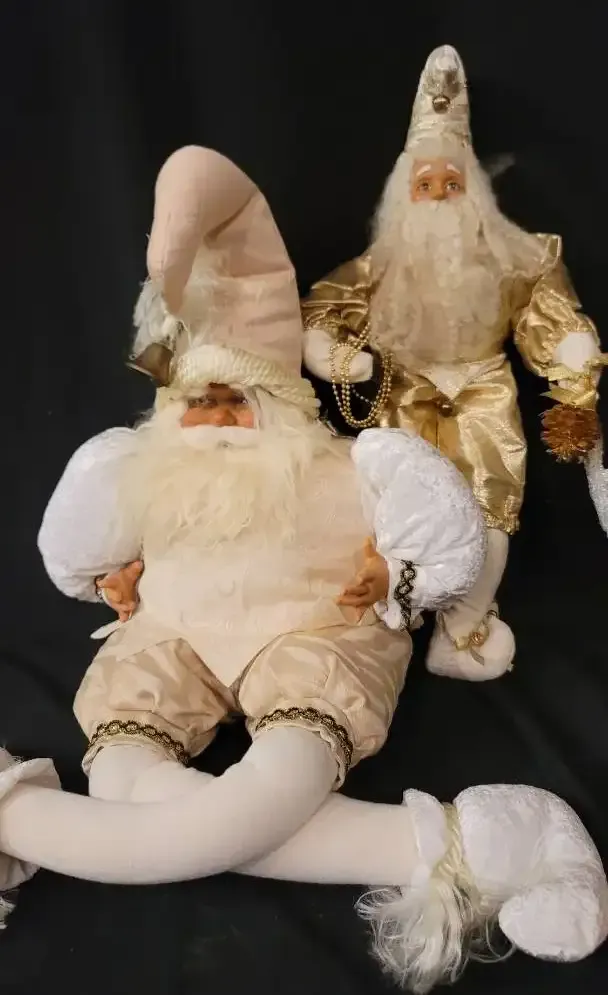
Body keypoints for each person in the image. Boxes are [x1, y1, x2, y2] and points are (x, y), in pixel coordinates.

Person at [1, 146, 606, 994]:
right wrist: (117, 576)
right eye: (199, 402)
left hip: (312, 636)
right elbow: (80, 550)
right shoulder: (143, 470)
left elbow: (446, 538)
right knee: (120, 776)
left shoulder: (356, 463)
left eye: (235, 401)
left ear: (279, 404)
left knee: (277, 777)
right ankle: (480, 840)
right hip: (172, 639)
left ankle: (26, 820)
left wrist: (395, 573)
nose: (215, 417)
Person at [301, 44, 606, 682]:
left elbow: (547, 313)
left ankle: (463, 628)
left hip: (483, 389)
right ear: (404, 195)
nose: (439, 195)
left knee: (491, 500)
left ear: (474, 193)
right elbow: (323, 311)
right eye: (426, 185)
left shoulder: (514, 258)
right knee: (394, 500)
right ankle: (389, 620)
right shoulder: (378, 266)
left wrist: (571, 361)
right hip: (405, 390)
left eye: (451, 184)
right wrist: (337, 360)